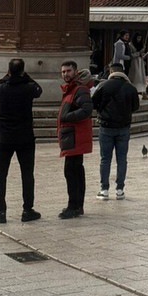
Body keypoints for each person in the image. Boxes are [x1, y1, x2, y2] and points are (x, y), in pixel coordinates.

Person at [0, 58, 43, 224]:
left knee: (1, 175)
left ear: (9, 71)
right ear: (23, 71)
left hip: (4, 138)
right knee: (27, 174)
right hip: (25, 137)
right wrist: (25, 77)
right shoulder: (28, 88)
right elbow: (39, 90)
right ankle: (27, 210)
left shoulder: (1, 89)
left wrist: (6, 77)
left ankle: (1, 212)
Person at [92, 62, 140, 201]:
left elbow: (93, 103)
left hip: (106, 127)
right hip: (123, 127)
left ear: (111, 71)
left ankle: (104, 189)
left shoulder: (102, 86)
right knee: (122, 160)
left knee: (105, 159)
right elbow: (135, 107)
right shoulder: (130, 88)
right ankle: (120, 189)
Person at [56, 60, 93, 219]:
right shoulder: (71, 89)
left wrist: (66, 117)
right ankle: (77, 205)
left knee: (72, 172)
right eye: (63, 71)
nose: (65, 74)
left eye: (68, 71)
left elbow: (86, 110)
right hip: (71, 136)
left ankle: (74, 206)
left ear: (75, 72)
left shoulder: (79, 90)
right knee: (75, 171)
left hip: (75, 137)